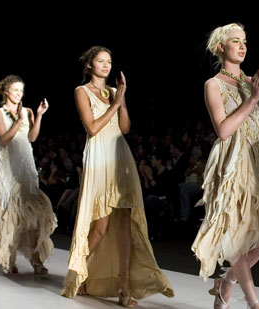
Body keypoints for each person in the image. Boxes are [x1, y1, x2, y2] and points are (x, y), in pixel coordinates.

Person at [62, 46, 174, 307]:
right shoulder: (82, 91)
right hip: (99, 156)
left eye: (109, 62)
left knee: (124, 222)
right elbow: (92, 128)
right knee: (100, 227)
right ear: (89, 65)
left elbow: (124, 128)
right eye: (100, 61)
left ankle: (124, 287)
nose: (105, 65)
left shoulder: (114, 91)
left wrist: (121, 100)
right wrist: (115, 103)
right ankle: (78, 273)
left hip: (120, 155)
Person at [191, 23, 259, 309]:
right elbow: (223, 130)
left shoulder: (251, 82)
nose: (243, 46)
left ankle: (226, 282)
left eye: (245, 41)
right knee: (236, 234)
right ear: (222, 47)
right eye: (236, 41)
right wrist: (253, 100)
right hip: (235, 164)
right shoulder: (214, 84)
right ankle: (253, 302)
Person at [0, 75, 57, 274]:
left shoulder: (27, 111)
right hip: (9, 168)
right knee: (10, 214)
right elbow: (5, 138)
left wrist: (39, 115)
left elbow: (32, 137)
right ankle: (7, 257)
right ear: (6, 91)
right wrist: (18, 121)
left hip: (26, 166)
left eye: (21, 90)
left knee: (32, 214)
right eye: (15, 90)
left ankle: (36, 260)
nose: (19, 94)